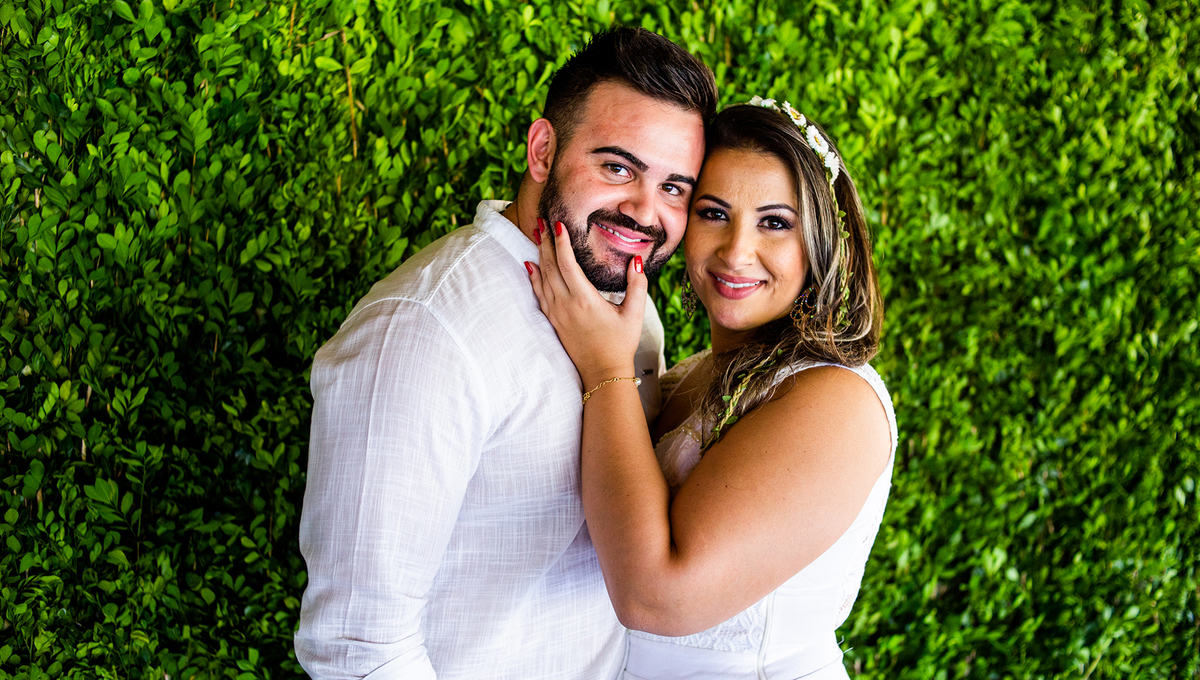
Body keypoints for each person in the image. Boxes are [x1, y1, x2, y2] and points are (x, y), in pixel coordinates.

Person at [294, 28, 716, 680]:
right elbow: (357, 649)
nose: (643, 211)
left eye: (674, 188)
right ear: (542, 151)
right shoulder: (426, 330)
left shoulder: (626, 305)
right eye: (617, 168)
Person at [526, 99, 897, 678]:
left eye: (775, 222)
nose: (735, 251)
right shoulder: (691, 372)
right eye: (714, 213)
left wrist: (605, 367)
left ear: (821, 240)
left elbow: (655, 597)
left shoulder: (837, 401)